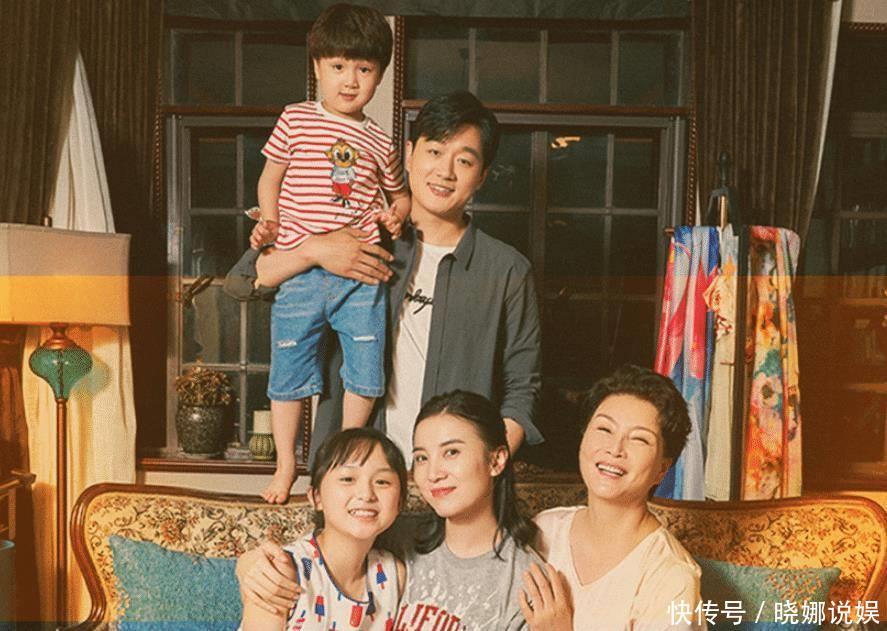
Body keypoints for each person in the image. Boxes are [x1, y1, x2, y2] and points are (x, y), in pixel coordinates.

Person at [247, 91, 543, 472]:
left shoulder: (506, 270)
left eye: (464, 161)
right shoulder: (358, 238)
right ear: (408, 154)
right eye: (434, 151)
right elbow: (244, 280)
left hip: (452, 485)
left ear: (482, 175)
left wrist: (484, 469)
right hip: (353, 477)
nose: (445, 171)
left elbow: (522, 390)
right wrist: (314, 252)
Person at [228, 3, 411, 504]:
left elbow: (400, 196)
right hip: (300, 276)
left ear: (380, 75)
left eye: (364, 69)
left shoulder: (380, 140)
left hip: (360, 275)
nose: (350, 80)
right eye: (338, 66)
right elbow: (270, 179)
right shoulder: (295, 119)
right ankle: (286, 465)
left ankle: (345, 456)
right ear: (317, 67)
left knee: (366, 371)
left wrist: (395, 216)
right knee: (287, 374)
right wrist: (271, 223)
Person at [237, 390, 540, 630]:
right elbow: (324, 546)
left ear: (496, 460)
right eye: (421, 458)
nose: (434, 473)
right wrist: (249, 565)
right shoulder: (403, 537)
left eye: (451, 452)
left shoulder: (526, 580)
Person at [520, 365, 703, 631]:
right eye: (605, 429)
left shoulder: (671, 577)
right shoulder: (544, 530)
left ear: (662, 469)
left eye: (639, 439)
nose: (615, 449)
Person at [240, 427, 407, 630]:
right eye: (348, 479)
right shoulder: (283, 570)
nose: (366, 494)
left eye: (382, 482)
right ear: (316, 497)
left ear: (400, 502)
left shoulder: (393, 574)